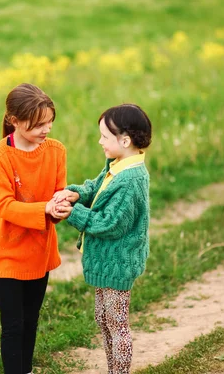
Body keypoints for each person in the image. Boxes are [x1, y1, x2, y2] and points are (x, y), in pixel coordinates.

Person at [53, 103, 152, 374]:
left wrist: (74, 213)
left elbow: (111, 223)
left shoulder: (131, 179)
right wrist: (75, 194)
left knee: (117, 323)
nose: (100, 142)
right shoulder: (118, 165)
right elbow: (96, 188)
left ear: (125, 140)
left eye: (105, 137)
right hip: (104, 260)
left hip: (118, 261)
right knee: (103, 318)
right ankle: (112, 369)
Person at [0, 83, 72, 374]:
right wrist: (44, 209)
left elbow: (59, 193)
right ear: (14, 121)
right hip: (8, 252)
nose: (46, 129)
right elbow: (4, 206)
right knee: (12, 326)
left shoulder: (57, 151)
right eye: (38, 125)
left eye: (49, 122)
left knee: (30, 319)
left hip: (40, 250)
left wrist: (60, 206)